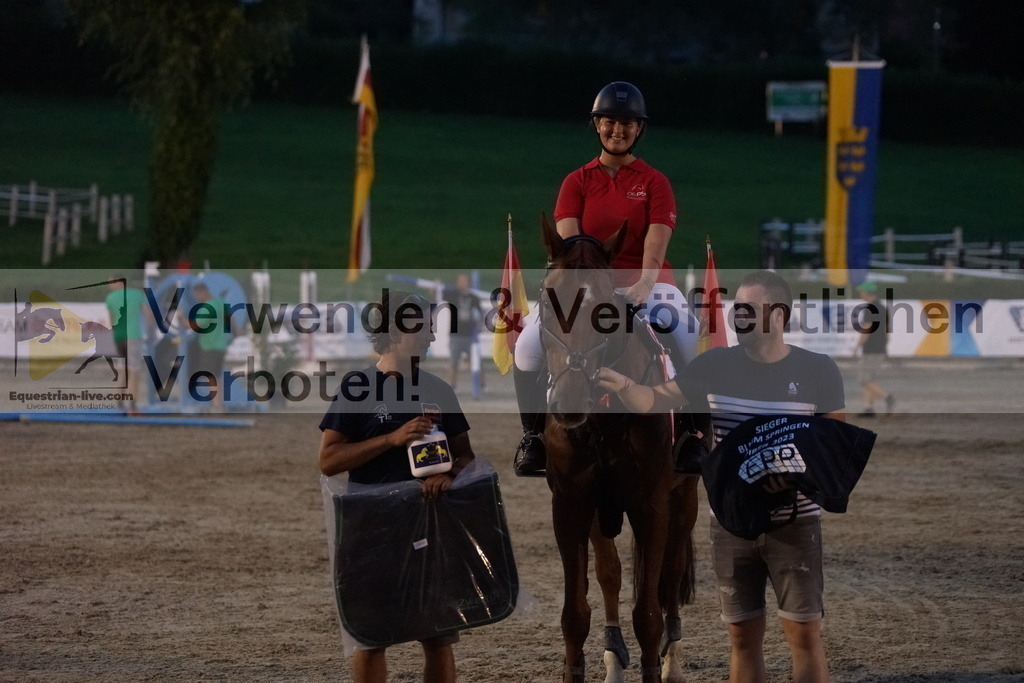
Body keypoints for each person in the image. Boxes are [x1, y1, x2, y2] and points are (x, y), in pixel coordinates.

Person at [598, 270, 845, 683]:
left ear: (779, 315)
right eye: (736, 308)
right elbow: (654, 398)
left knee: (803, 637)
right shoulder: (713, 364)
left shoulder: (818, 369)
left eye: (749, 309)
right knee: (742, 637)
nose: (736, 317)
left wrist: (791, 476)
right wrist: (624, 384)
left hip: (795, 523)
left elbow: (834, 444)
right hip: (731, 526)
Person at [512, 80, 699, 476]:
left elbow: (656, 240)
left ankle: (692, 435)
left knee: (687, 338)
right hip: (587, 286)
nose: (619, 129)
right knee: (526, 348)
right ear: (596, 124)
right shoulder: (576, 182)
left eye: (628, 123)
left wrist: (645, 283)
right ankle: (533, 437)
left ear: (639, 129)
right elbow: (569, 247)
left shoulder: (655, 183)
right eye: (610, 121)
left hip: (650, 284)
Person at [318, 290, 477, 683]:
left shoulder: (439, 390)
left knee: (437, 636)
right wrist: (390, 440)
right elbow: (328, 459)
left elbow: (466, 455)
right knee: (371, 638)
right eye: (422, 327)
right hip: (371, 528)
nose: (432, 337)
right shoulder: (358, 388)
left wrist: (450, 474)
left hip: (428, 525)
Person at [105, 276, 148, 415]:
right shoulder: (137, 294)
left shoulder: (110, 298)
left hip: (119, 336)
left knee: (122, 369)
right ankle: (133, 405)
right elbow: (149, 314)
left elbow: (111, 321)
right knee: (134, 370)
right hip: (133, 335)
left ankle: (119, 402)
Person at [186, 283, 231, 412]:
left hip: (209, 346)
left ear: (203, 292)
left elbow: (196, 325)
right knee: (216, 375)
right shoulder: (220, 302)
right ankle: (218, 403)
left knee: (209, 375)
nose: (197, 299)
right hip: (221, 345)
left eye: (197, 296)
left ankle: (216, 404)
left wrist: (181, 319)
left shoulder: (206, 308)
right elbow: (229, 317)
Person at [853, 280, 894, 416]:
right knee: (870, 380)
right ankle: (868, 409)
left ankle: (887, 397)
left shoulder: (869, 309)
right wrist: (885, 345)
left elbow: (866, 330)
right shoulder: (882, 307)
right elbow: (886, 329)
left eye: (862, 291)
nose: (860, 293)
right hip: (880, 348)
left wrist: (856, 347)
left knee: (863, 380)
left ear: (867, 292)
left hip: (870, 349)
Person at [443, 273, 484, 392]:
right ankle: (452, 387)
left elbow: (480, 314)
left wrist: (480, 325)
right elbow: (438, 293)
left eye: (465, 281)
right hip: (455, 336)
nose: (462, 283)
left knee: (477, 363)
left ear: (469, 283)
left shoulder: (473, 298)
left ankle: (482, 386)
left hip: (470, 336)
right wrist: (435, 287)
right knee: (453, 363)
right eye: (460, 281)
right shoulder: (453, 295)